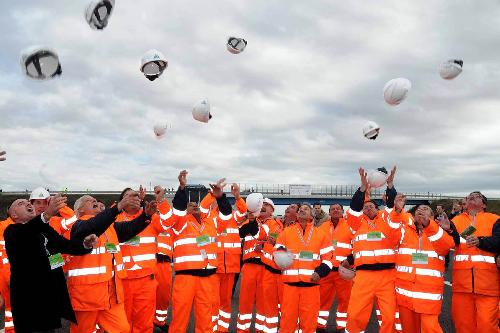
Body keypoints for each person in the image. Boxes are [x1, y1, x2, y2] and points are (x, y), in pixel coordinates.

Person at [5, 194, 98, 333]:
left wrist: (85, 244)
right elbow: (27, 232)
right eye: (20, 204)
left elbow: (66, 245)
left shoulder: (45, 229)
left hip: (49, 299)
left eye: (27, 202)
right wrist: (47, 214)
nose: (27, 204)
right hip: (29, 301)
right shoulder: (12, 231)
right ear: (14, 215)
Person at [67, 193, 158, 333]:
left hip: (111, 296)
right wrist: (119, 207)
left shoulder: (110, 227)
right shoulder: (78, 225)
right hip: (87, 297)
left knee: (122, 329)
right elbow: (92, 226)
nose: (94, 201)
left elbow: (130, 228)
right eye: (88, 201)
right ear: (79, 211)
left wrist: (146, 215)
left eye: (95, 200)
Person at [162, 171, 227, 333]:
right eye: (190, 205)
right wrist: (182, 188)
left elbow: (226, 216)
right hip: (186, 278)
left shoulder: (211, 223)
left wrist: (220, 197)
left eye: (196, 204)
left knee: (205, 320)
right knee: (179, 318)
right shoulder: (180, 224)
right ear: (186, 210)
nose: (195, 206)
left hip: (207, 278)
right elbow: (176, 210)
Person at [343, 167, 400, 333]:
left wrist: (390, 187)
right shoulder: (356, 223)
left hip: (387, 276)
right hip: (363, 276)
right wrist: (362, 187)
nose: (367, 208)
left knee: (389, 317)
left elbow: (391, 206)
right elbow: (354, 207)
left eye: (371, 206)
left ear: (378, 209)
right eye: (365, 207)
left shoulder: (387, 221)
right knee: (355, 316)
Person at [115, 185, 173, 333]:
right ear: (121, 201)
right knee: (123, 323)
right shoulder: (114, 220)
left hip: (146, 280)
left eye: (136, 195)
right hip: (122, 280)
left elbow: (169, 223)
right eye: (129, 195)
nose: (134, 198)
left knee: (145, 324)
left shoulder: (151, 216)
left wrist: (161, 201)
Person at [395, 204, 455, 333]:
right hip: (405, 294)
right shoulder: (403, 230)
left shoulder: (440, 232)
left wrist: (429, 225)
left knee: (431, 329)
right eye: (418, 210)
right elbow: (388, 235)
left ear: (432, 217)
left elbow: (446, 246)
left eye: (425, 209)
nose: (421, 210)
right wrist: (396, 211)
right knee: (408, 329)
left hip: (428, 295)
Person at [274, 203, 333, 333]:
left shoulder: (321, 234)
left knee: (309, 324)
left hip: (311, 286)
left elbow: (328, 260)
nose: (302, 210)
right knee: (287, 324)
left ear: (312, 215)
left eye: (306, 209)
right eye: (300, 209)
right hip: (290, 286)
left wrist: (319, 272)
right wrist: (280, 258)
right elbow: (277, 253)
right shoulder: (286, 233)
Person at [449, 191, 500, 333]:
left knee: (487, 326)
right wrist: (445, 228)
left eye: (476, 195)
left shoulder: (494, 219)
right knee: (463, 326)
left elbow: (498, 241)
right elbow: (446, 241)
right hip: (461, 286)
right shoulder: (456, 221)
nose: (471, 196)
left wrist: (481, 241)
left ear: (483, 204)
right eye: (469, 195)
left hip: (488, 286)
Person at [202, 183, 247, 333]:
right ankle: (211, 329)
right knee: (212, 301)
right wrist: (211, 195)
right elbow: (202, 208)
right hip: (214, 265)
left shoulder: (234, 216)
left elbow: (243, 211)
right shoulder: (208, 217)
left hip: (231, 266)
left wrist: (238, 196)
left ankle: (222, 329)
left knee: (226, 302)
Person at [317, 203, 352, 333]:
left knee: (345, 301)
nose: (336, 210)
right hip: (327, 271)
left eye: (338, 209)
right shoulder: (322, 227)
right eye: (333, 209)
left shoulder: (350, 226)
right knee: (322, 300)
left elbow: (357, 244)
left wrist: (351, 260)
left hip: (344, 271)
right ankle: (320, 326)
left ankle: (341, 327)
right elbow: (317, 245)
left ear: (343, 211)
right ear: (329, 212)